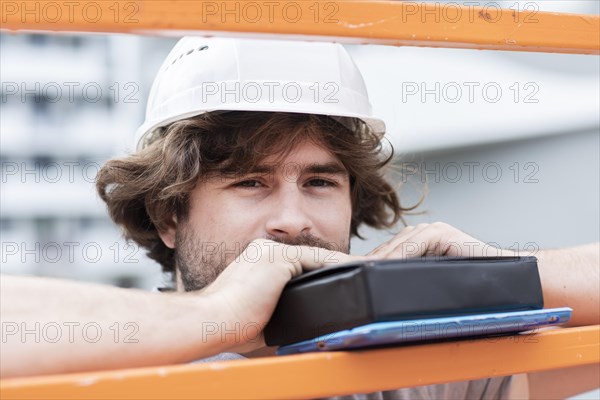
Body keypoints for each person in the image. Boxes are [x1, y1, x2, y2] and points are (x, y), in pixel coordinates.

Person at [1, 37, 598, 399]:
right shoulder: (102, 360)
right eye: (250, 182)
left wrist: (500, 275)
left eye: (318, 182)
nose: (292, 220)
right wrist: (220, 317)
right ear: (167, 214)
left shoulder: (421, 372)